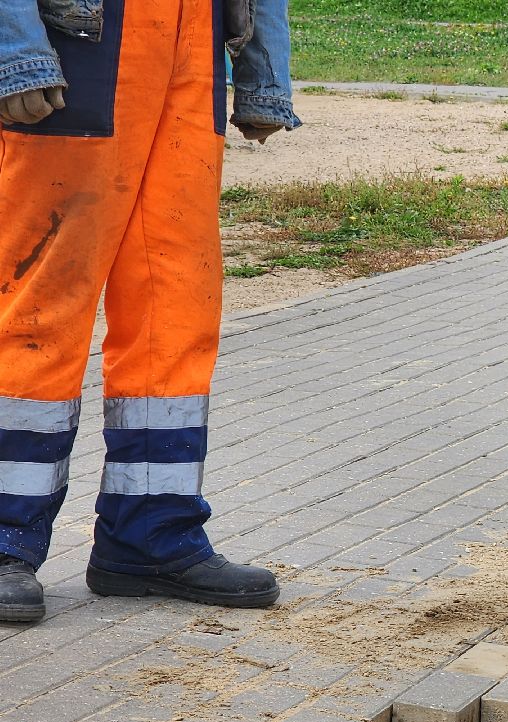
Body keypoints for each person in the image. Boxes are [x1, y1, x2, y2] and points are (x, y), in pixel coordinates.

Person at [0, 0, 299, 624]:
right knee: (39, 306)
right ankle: (6, 537)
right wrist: (14, 51)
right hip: (81, 46)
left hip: (192, 54)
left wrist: (263, 74)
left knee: (176, 310)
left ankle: (150, 533)